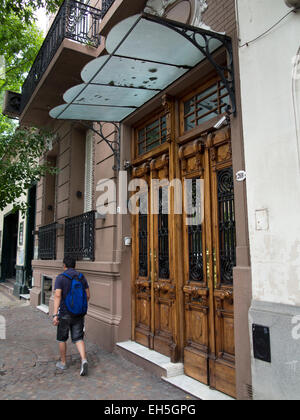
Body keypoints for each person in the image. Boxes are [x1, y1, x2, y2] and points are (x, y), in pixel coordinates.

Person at [53, 256, 90, 376]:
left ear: (64, 265)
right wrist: (79, 306)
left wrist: (55, 314)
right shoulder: (81, 277)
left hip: (64, 313)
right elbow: (88, 295)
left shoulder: (61, 278)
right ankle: (84, 360)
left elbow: (57, 296)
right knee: (78, 338)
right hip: (78, 313)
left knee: (62, 338)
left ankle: (63, 363)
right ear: (75, 265)